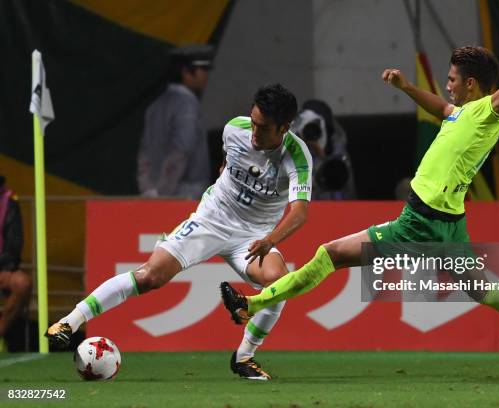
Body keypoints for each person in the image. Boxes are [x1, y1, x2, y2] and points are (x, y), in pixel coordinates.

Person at [221, 15, 499, 377]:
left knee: (329, 254)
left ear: (471, 84)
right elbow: (441, 109)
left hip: (420, 223)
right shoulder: (463, 114)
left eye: (452, 79)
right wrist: (407, 87)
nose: (447, 85)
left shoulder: (489, 111)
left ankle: (253, 303)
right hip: (448, 223)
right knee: (483, 289)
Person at [47, 84, 313, 380]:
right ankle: (69, 322)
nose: (253, 132)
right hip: (211, 219)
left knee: (280, 285)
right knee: (150, 276)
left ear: (284, 128)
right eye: (252, 122)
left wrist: (270, 240)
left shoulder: (297, 156)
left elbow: (300, 213)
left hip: (254, 236)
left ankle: (244, 357)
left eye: (263, 128)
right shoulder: (233, 130)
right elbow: (226, 163)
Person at [137, 44, 214, 199]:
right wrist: (163, 192)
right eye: (202, 70)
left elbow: (144, 153)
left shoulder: (156, 105)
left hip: (153, 193)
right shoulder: (188, 105)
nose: (206, 75)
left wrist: (148, 190)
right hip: (184, 195)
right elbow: (181, 149)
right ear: (186, 72)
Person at [291, 100, 356, 199]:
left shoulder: (337, 150)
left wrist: (322, 157)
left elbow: (342, 189)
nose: (311, 133)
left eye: (317, 127)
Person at [0, 176, 32, 351]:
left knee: (22, 283)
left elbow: (14, 239)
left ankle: (0, 333)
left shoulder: (9, 201)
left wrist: (6, 266)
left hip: (3, 266)